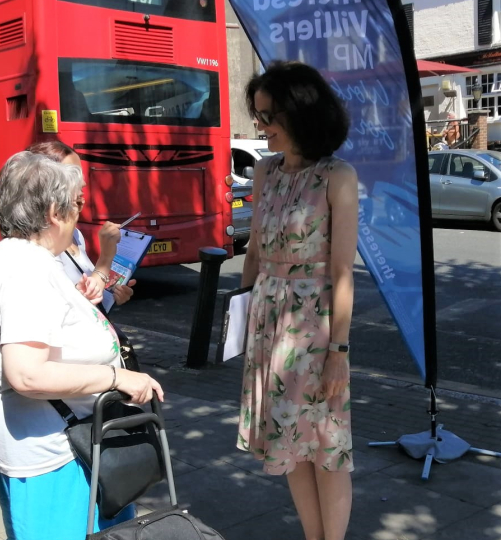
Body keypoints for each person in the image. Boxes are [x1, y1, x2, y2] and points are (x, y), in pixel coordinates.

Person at [0, 151, 163, 540]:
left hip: (52, 442)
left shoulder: (10, 257)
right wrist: (117, 377)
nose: (80, 214)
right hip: (56, 453)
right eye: (76, 204)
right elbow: (27, 373)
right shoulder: (28, 269)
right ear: (55, 211)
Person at [238, 61, 358, 540]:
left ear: (300, 115)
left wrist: (339, 353)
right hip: (269, 322)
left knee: (327, 447)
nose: (260, 126)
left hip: (315, 326)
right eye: (258, 115)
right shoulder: (265, 172)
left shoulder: (337, 176)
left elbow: (343, 270)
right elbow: (253, 250)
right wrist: (239, 312)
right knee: (288, 442)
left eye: (268, 116)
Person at [26, 141, 136, 308]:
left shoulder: (75, 235)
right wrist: (105, 259)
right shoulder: (37, 248)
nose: (83, 184)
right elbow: (71, 311)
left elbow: (90, 297)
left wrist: (111, 295)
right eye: (73, 175)